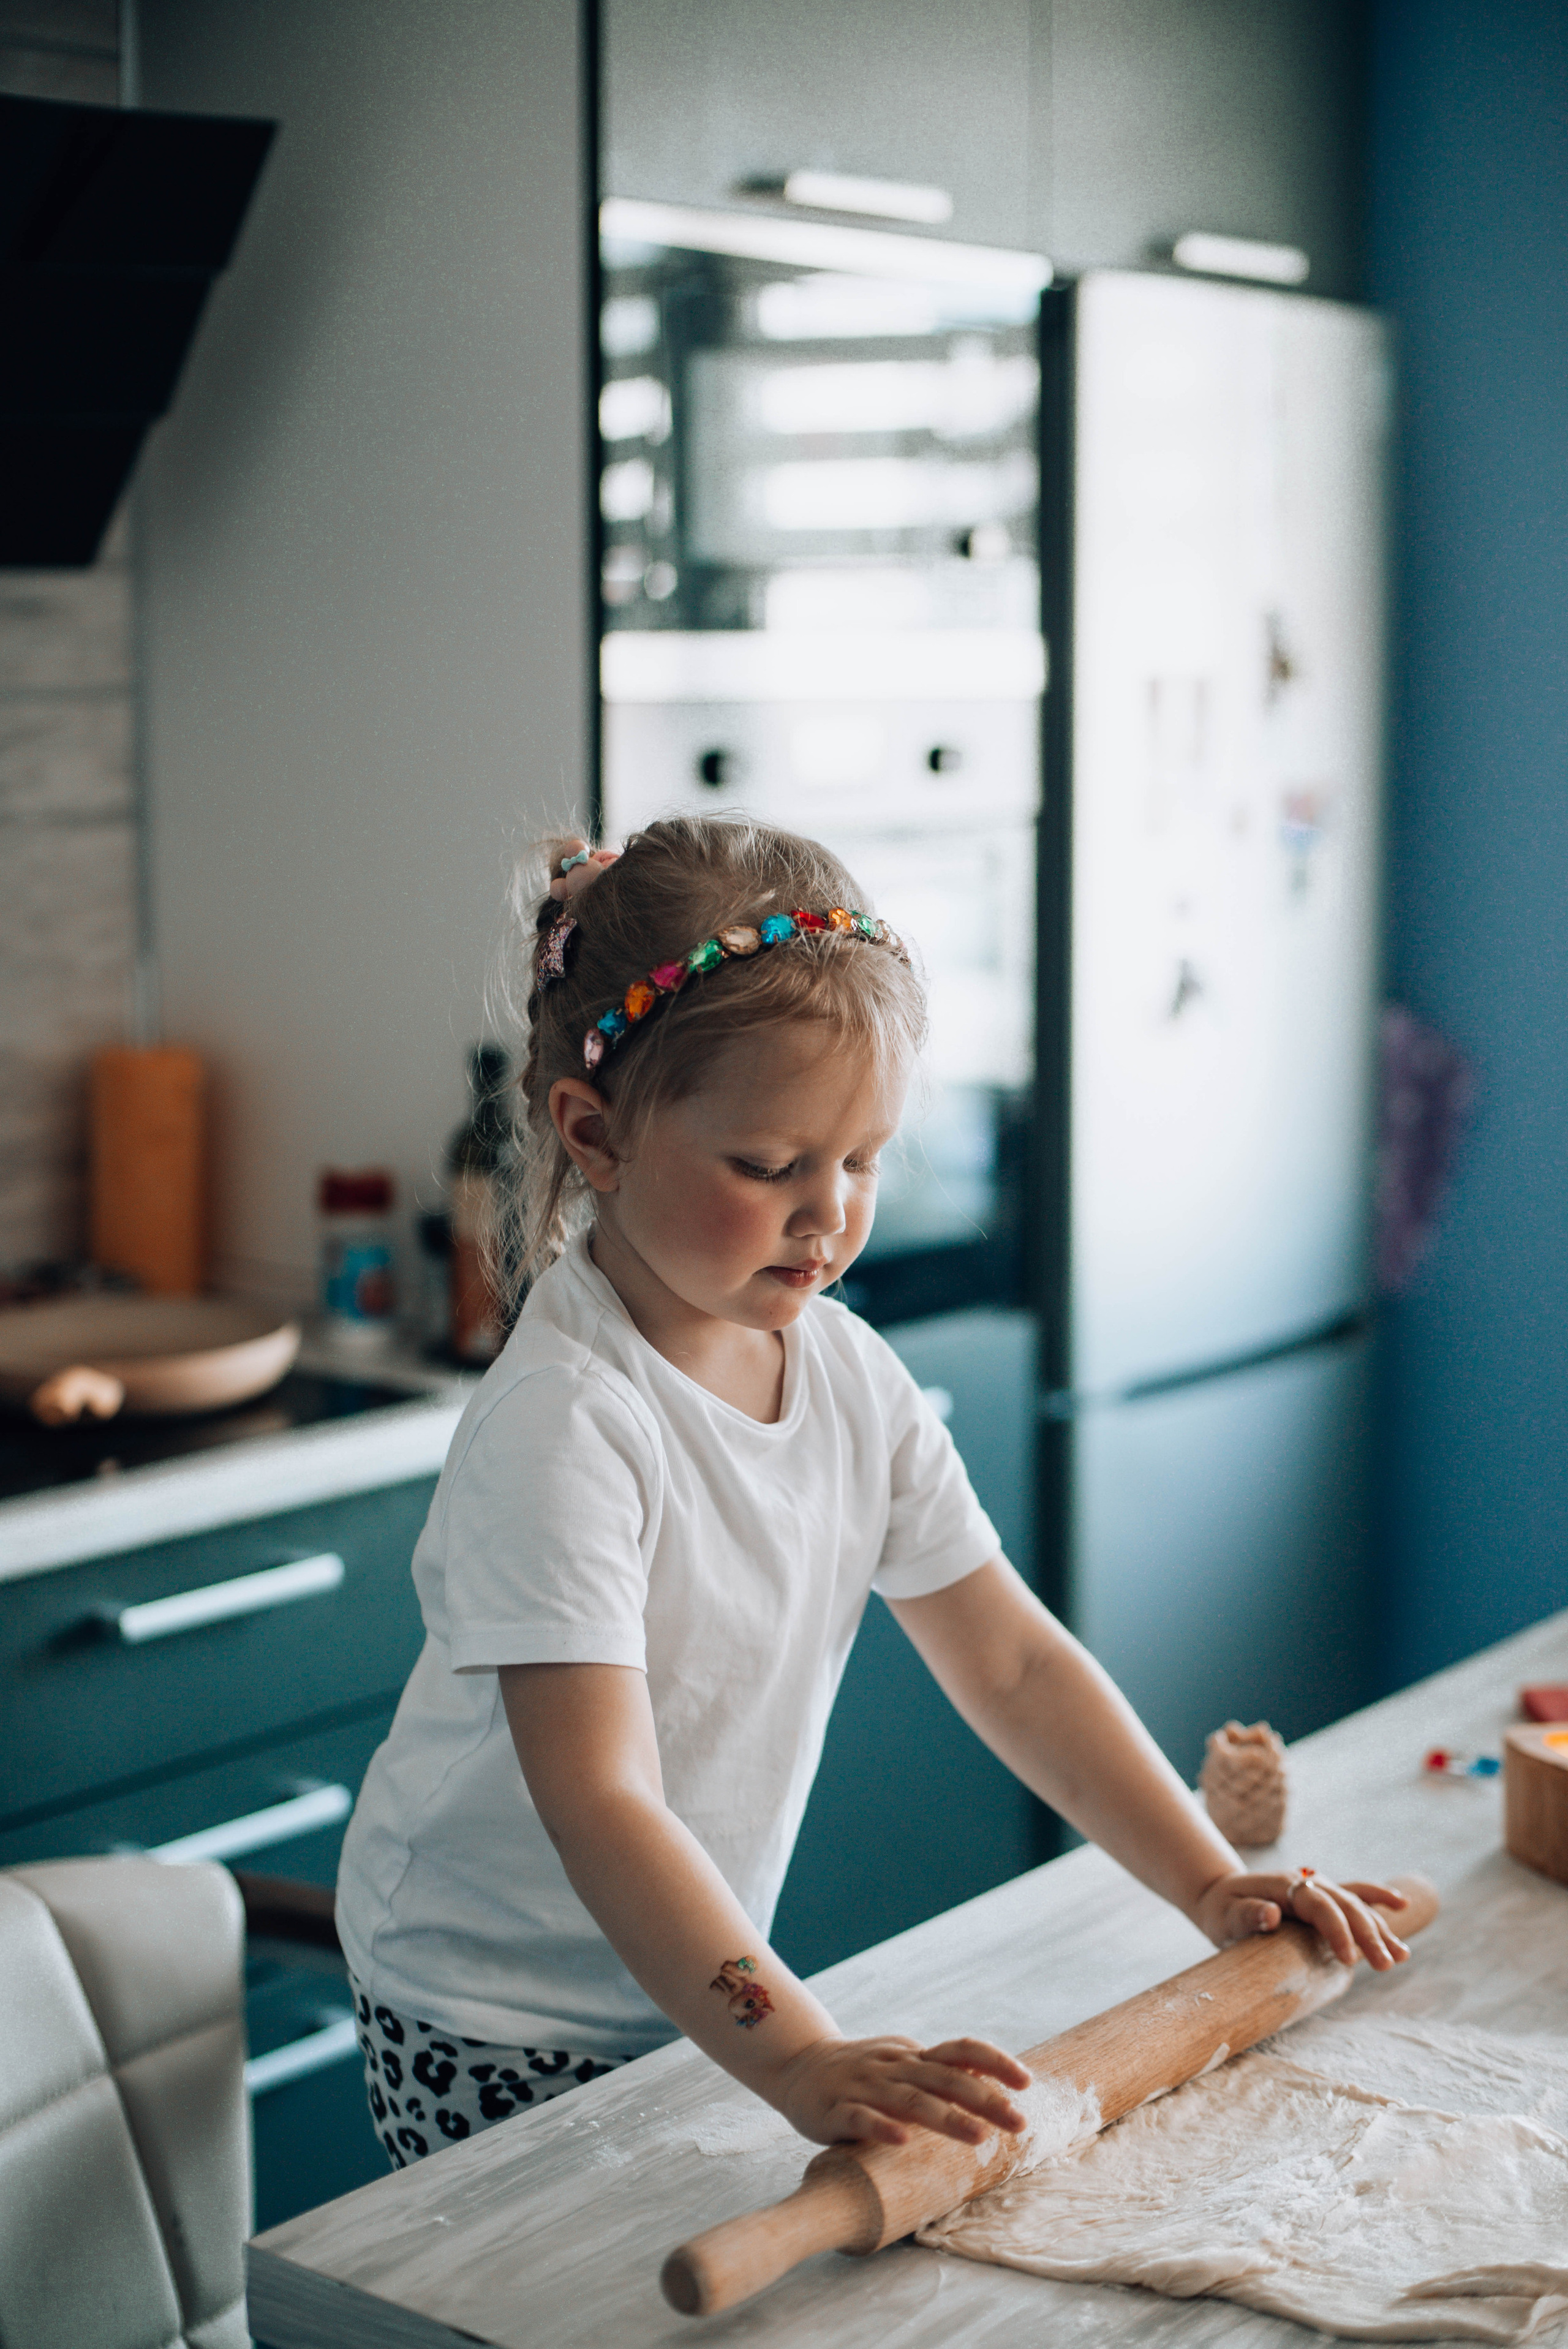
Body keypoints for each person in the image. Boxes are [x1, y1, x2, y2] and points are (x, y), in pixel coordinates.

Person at [336, 815, 1408, 2172]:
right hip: (493, 2009)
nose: (828, 1214)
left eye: (860, 1160)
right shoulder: (569, 1425)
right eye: (768, 1165)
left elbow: (1011, 1660)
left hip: (687, 1985)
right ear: (592, 1133)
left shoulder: (842, 1371)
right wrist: (794, 2053)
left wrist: (1206, 1880)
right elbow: (600, 1795)